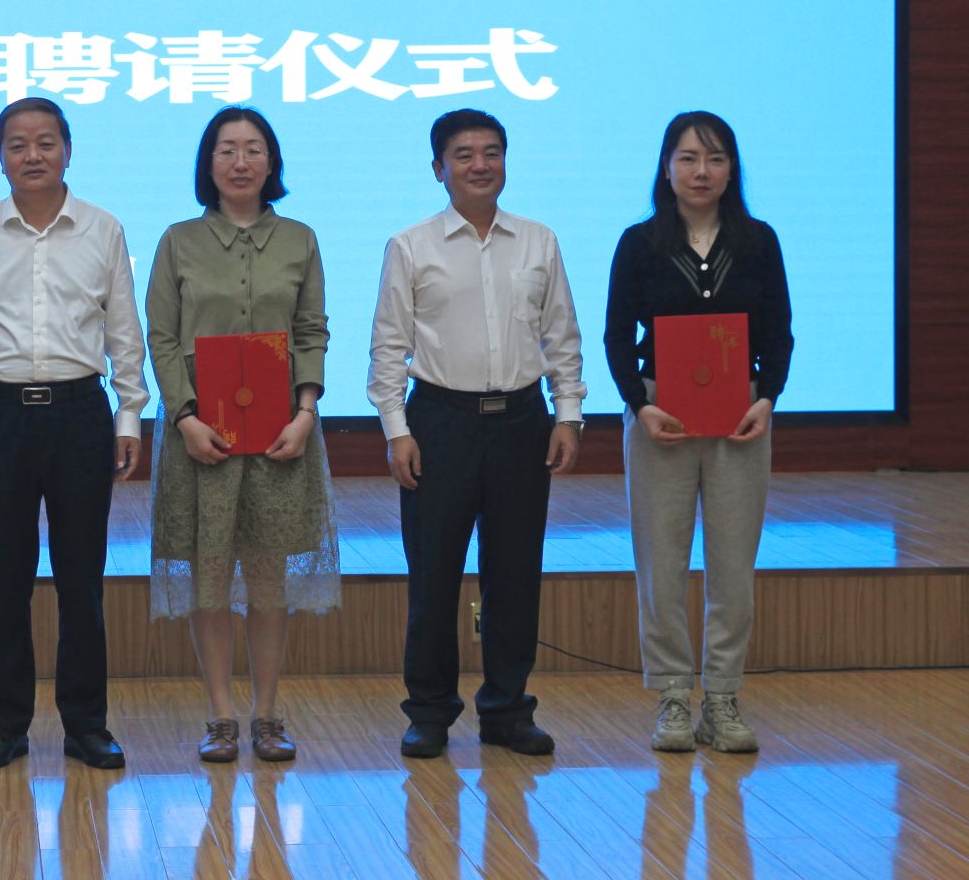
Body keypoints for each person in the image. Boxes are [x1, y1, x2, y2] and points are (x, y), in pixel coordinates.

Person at [0, 96, 149, 771]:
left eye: (46, 142)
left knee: (82, 578)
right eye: (18, 144)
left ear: (68, 150)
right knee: (7, 577)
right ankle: (5, 726)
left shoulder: (102, 228)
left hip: (80, 412)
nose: (33, 155)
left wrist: (129, 413)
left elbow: (124, 330)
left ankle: (87, 725)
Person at [369, 108, 585, 759]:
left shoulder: (539, 241)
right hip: (440, 423)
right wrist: (396, 430)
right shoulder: (411, 246)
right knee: (434, 576)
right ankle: (430, 712)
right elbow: (388, 346)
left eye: (492, 152)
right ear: (438, 169)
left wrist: (567, 413)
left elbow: (561, 335)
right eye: (463, 155)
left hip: (522, 420)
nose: (480, 164)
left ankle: (507, 709)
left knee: (514, 574)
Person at [144, 107, 340, 764]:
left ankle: (268, 713)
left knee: (267, 578)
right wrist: (186, 419)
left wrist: (305, 413)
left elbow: (311, 331)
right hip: (201, 437)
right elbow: (162, 338)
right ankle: (221, 714)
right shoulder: (178, 241)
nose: (240, 161)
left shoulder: (301, 239)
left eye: (253, 149)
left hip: (283, 434)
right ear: (208, 163)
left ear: (271, 162)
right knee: (209, 576)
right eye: (226, 149)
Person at [604, 112, 790, 754]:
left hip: (741, 417)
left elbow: (779, 333)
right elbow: (617, 336)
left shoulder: (759, 241)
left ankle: (724, 698)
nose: (701, 171)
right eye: (687, 158)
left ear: (732, 169)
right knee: (661, 562)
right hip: (661, 417)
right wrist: (639, 405)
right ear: (666, 168)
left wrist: (766, 398)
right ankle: (673, 699)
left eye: (714, 158)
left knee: (733, 565)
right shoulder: (639, 243)